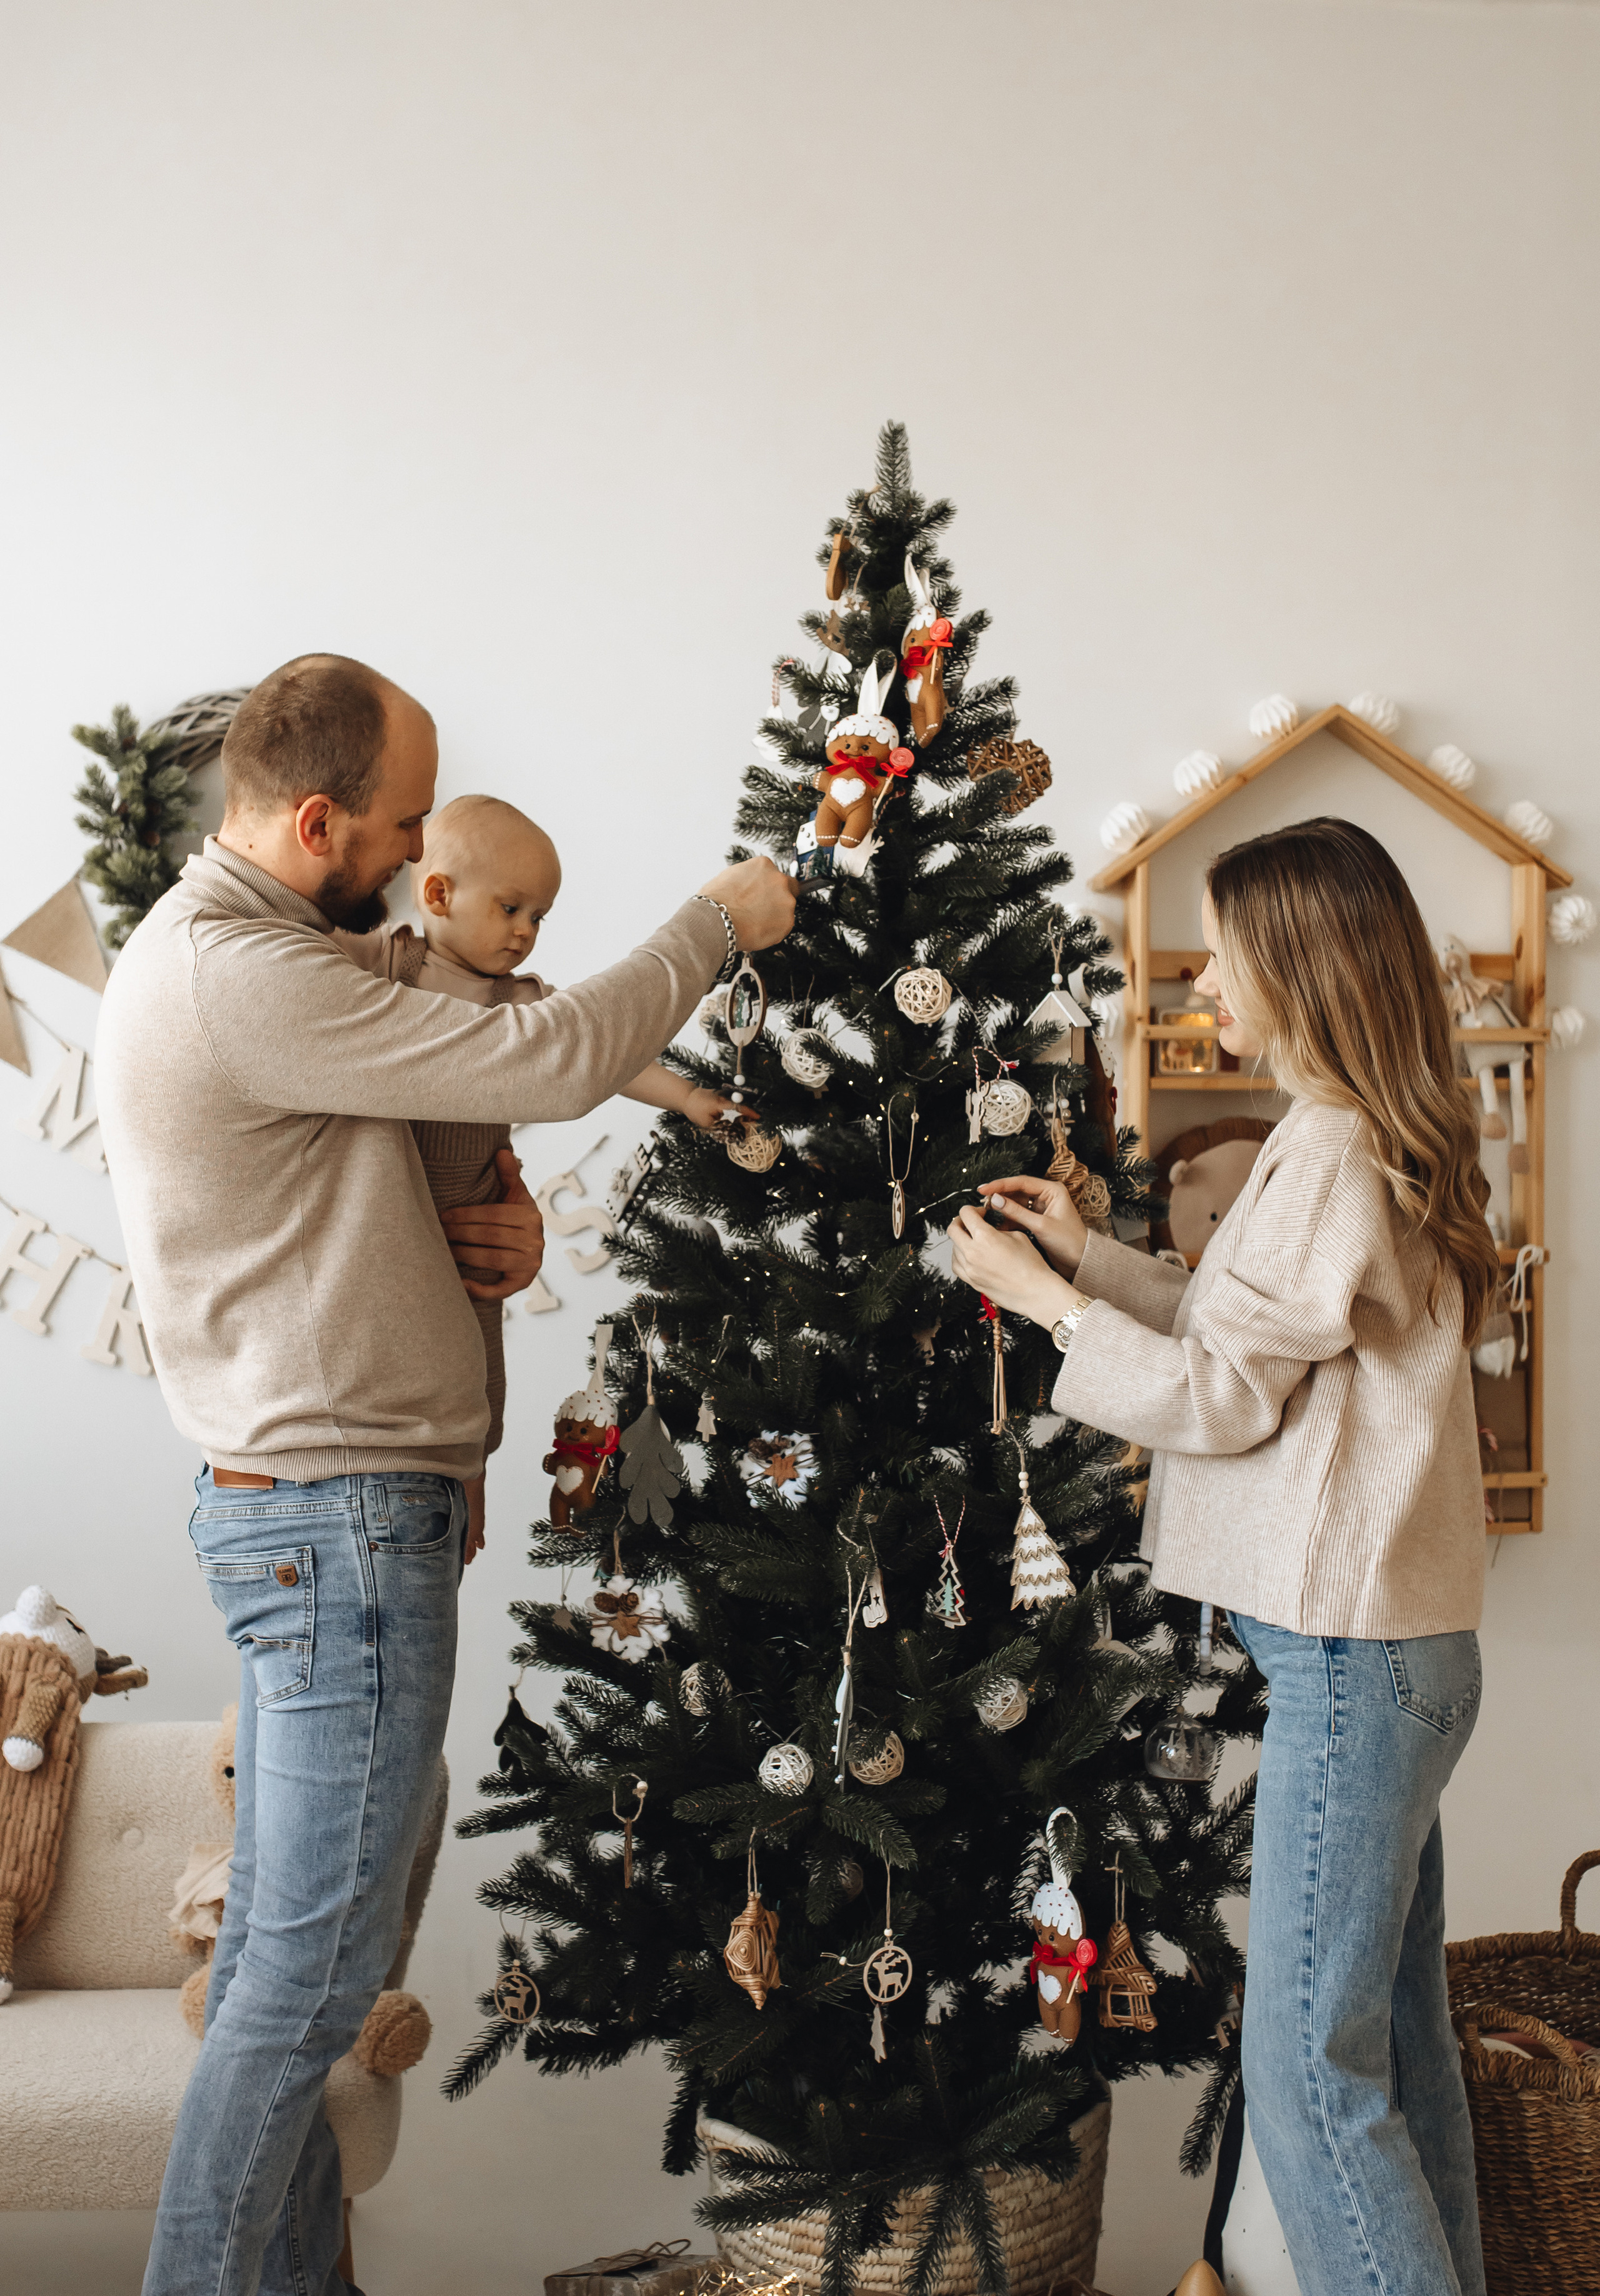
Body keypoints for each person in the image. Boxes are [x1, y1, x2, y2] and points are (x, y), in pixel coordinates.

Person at [94, 652, 794, 2296]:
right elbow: (548, 1061)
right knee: (310, 1985)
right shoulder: (236, 974)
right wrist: (717, 921)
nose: (423, 863)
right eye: (404, 826)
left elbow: (434, 1143)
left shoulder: (290, 965)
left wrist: (503, 1231)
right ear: (318, 819)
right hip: (335, 1527)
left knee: (295, 1967)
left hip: (341, 1516)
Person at [947, 818, 1494, 2296]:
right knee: (1387, 2038)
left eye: (1222, 961)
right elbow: (1242, 1325)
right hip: (1389, 1653)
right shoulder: (1348, 1131)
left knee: (1311, 2065)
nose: (1201, 993)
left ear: (1298, 970)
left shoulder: (1322, 1146)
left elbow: (1219, 1394)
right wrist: (1095, 1254)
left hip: (1351, 1657)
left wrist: (1040, 1304)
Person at [339, 790, 745, 1537]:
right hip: (388, 1212)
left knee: (478, 1366)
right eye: (512, 908)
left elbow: (607, 1054)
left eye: (539, 918)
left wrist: (687, 1095)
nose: (525, 932)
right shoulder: (381, 962)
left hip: (478, 1208)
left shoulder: (519, 1001)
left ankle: (467, 1490)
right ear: (437, 892)